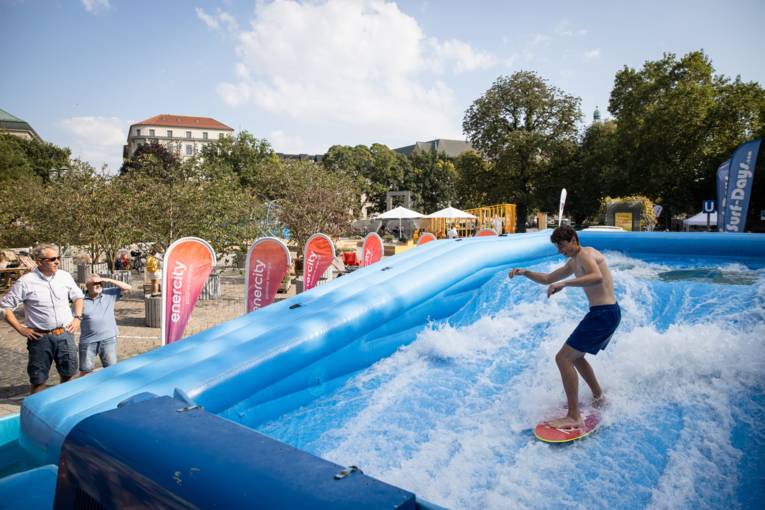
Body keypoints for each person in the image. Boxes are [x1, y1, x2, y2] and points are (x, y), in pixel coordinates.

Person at [508, 225, 620, 429]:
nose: (560, 250)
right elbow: (549, 279)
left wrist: (565, 284)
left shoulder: (585, 254)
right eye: (558, 247)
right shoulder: (574, 261)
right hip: (604, 314)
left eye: (562, 245)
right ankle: (598, 397)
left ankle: (574, 416)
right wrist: (525, 272)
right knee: (575, 357)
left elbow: (597, 277)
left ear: (573, 240)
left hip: (603, 314)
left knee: (563, 358)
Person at [1, 244, 84, 394]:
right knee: (38, 380)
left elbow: (78, 296)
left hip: (65, 335)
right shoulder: (26, 282)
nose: (57, 261)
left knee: (69, 374)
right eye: (52, 259)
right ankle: (37, 412)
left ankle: (63, 404)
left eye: (58, 258)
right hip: (40, 338)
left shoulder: (64, 276)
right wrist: (20, 328)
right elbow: (4, 307)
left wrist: (77, 317)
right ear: (39, 261)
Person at [79, 274, 132, 376]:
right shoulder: (80, 299)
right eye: (95, 283)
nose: (98, 285)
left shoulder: (109, 293)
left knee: (111, 370)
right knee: (85, 371)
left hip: (108, 339)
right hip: (88, 341)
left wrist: (106, 279)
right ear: (87, 286)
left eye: (100, 283)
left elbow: (128, 287)